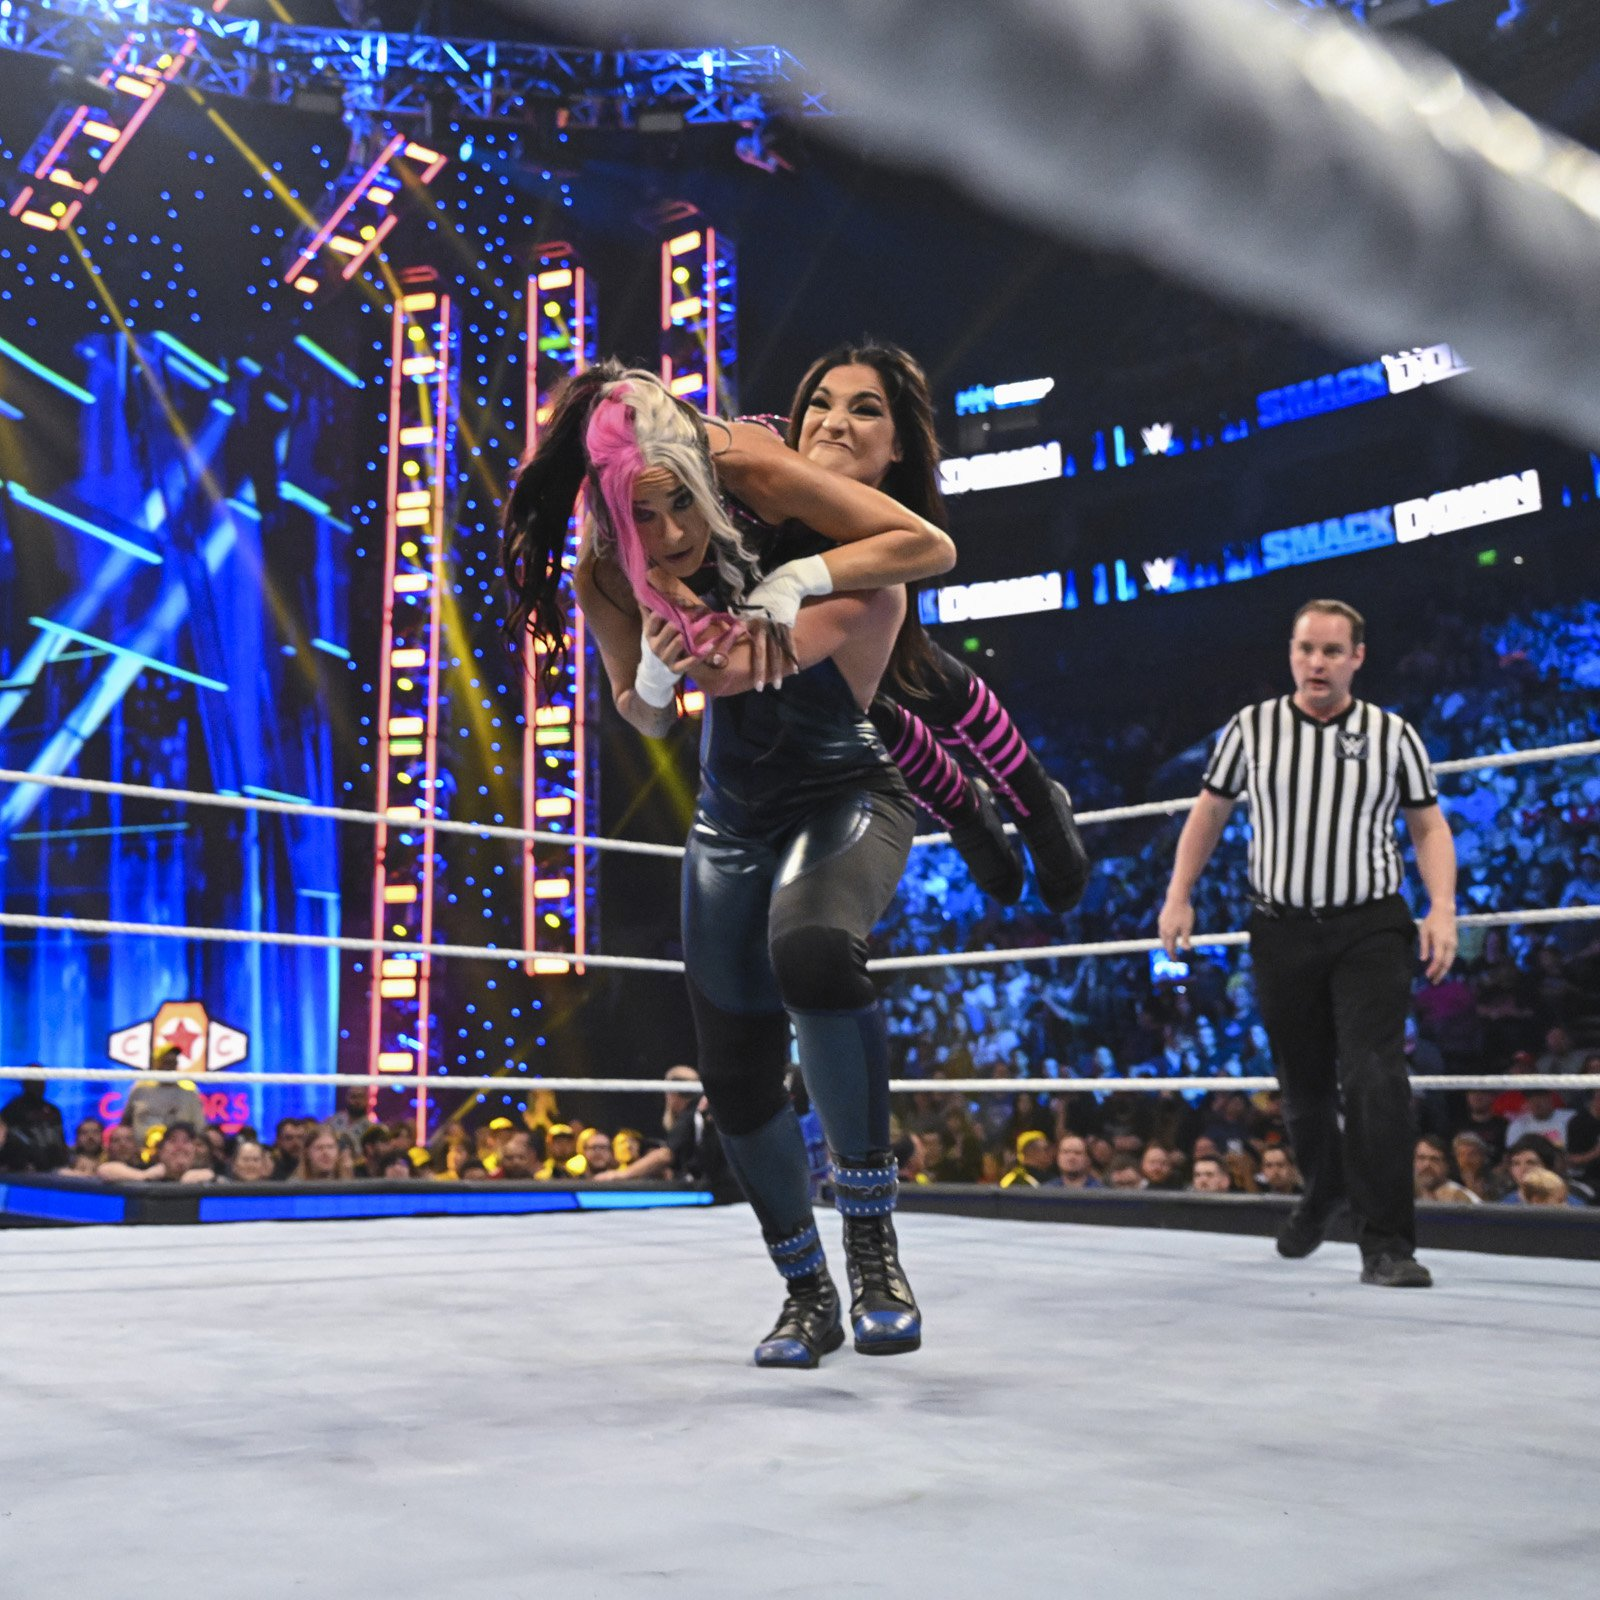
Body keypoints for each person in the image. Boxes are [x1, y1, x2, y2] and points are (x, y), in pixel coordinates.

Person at [502, 362, 954, 1367]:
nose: (669, 535)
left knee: (814, 953)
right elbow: (642, 712)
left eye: (678, 506)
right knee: (734, 1070)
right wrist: (652, 674)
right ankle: (806, 1294)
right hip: (731, 816)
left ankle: (873, 1251)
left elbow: (927, 546)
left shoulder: (751, 466)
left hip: (842, 784)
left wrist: (799, 578)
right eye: (642, 516)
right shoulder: (605, 568)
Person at [1159, 599, 1458, 1289]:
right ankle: (1325, 1192)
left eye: (1331, 651)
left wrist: (1442, 908)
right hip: (1281, 927)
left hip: (1370, 925)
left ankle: (1387, 1245)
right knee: (1303, 1088)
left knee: (1375, 1076)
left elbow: (1428, 825)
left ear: (1357, 658)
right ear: (1291, 653)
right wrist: (1179, 892)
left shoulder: (1392, 734)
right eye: (1305, 649)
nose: (1316, 663)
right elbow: (1210, 811)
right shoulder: (1251, 728)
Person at [785, 341, 1090, 912]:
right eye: (820, 404)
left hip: (872, 632)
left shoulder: (894, 532)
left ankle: (1032, 800)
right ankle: (965, 808)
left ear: (898, 445)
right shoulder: (760, 460)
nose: (834, 422)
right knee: (859, 708)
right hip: (814, 702)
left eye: (864, 409)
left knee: (906, 671)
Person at [122, 1046, 209, 1146]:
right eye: (166, 1062)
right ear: (156, 1064)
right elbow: (125, 1123)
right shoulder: (141, 1089)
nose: (170, 1068)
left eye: (174, 1063)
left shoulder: (189, 1092)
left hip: (178, 1151)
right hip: (141, 1149)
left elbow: (199, 1128)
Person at [1413, 1135, 1477, 1205]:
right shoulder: (1407, 1190)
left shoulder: (1463, 1198)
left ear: (1446, 1165)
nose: (1427, 1165)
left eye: (1435, 1159)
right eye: (1421, 1158)